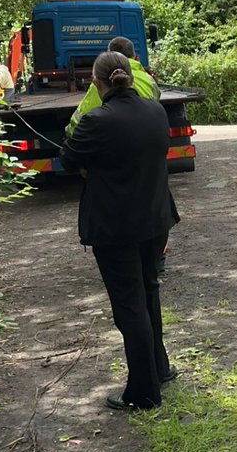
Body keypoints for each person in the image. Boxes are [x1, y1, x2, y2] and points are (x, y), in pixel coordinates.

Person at [60, 51, 179, 410]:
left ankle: (142, 392)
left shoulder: (97, 119)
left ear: (95, 83)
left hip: (116, 227)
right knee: (148, 294)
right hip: (155, 220)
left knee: (129, 306)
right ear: (130, 74)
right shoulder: (156, 111)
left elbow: (68, 158)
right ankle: (159, 369)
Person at [65, 36, 160, 136]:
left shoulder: (101, 84)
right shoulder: (149, 79)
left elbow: (79, 121)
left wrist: (69, 133)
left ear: (109, 57)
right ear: (136, 57)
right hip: (148, 138)